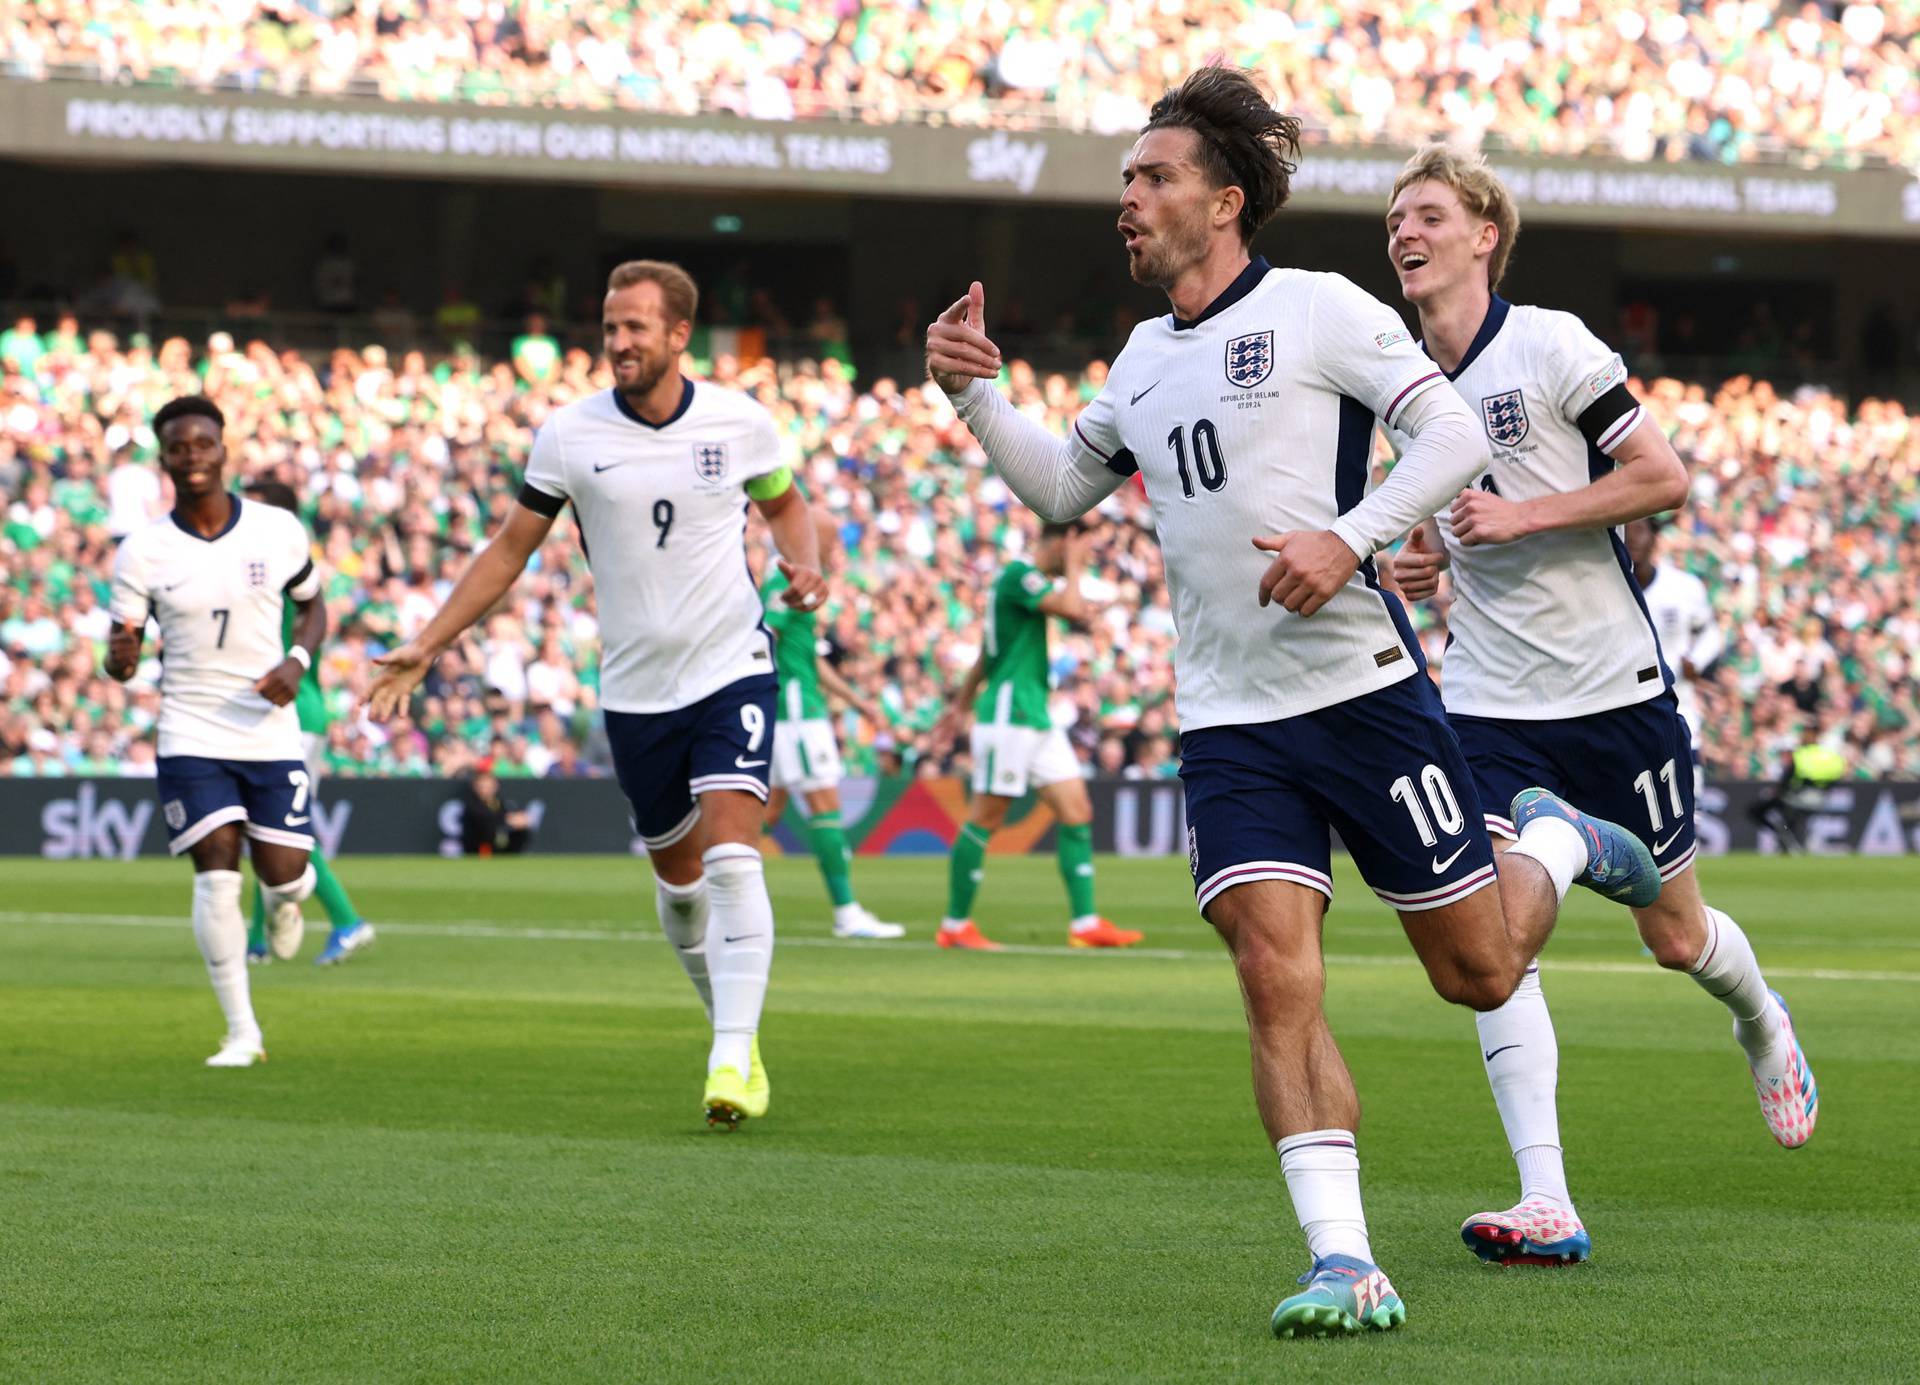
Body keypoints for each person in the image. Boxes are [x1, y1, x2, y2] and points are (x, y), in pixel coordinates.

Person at [925, 65, 1658, 1339]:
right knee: (1276, 974)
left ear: (1223, 203)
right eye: (1125, 181)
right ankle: (1343, 1257)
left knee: (1480, 972)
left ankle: (1553, 836)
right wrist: (976, 393)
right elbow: (1059, 491)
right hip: (1227, 721)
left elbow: (1453, 438)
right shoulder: (1143, 358)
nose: (1129, 200)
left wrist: (1353, 538)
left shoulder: (1322, 309)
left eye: (1152, 178)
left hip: (1365, 696)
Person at [1382, 146, 1818, 1268]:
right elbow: (1436, 532)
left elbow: (1662, 477)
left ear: (1486, 233)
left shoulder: (1552, 343)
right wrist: (1424, 561)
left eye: (1427, 212)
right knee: (1489, 942)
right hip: (1481, 702)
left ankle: (1762, 1019)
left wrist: (1529, 519)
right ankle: (1547, 1199)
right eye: (1393, 218)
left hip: (1610, 691)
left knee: (1678, 939)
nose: (1403, 230)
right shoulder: (1400, 386)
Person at [367, 260, 827, 1131]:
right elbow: (509, 549)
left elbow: (787, 506)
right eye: (610, 326)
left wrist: (806, 567)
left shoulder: (740, 422)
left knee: (733, 857)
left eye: (635, 328)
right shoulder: (569, 436)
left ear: (678, 335)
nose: (617, 342)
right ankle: (732, 1027)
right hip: (636, 692)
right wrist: (429, 642)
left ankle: (731, 1055)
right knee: (682, 887)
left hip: (733, 667)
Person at [103, 396, 326, 1068]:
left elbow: (314, 606)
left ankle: (289, 900)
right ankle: (242, 1032)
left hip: (268, 728)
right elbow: (123, 647)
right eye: (178, 446)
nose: (192, 454)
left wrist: (299, 659)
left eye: (203, 442)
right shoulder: (144, 549)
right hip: (190, 729)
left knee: (283, 871)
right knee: (215, 874)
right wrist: (120, 658)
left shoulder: (276, 528)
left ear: (223, 447)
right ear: (164, 457)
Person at [931, 521, 1142, 951]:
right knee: (987, 817)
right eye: (1081, 547)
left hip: (1035, 714)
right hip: (1011, 714)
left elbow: (990, 655)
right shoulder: (1020, 575)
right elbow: (1073, 610)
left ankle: (1085, 924)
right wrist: (1073, 564)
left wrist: (960, 704)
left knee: (1077, 811)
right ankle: (954, 926)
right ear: (1065, 539)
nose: (1083, 558)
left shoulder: (1025, 583)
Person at [240, 479, 376, 967]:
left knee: (280, 826)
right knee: (265, 824)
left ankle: (346, 920)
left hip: (290, 709)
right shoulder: (290, 565)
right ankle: (258, 940)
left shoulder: (270, 565)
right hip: (295, 706)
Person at [760, 503, 905, 940]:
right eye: (831, 538)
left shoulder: (800, 579)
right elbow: (767, 634)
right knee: (824, 804)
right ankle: (846, 911)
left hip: (791, 707)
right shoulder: (784, 577)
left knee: (768, 811)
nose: (837, 547)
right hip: (797, 713)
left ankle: (710, 886)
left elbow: (808, 658)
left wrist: (859, 703)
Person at [1627, 517, 1723, 751]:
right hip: (1627, 719)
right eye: (1625, 530)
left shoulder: (1683, 587)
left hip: (1678, 712)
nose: (1632, 537)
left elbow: (1711, 633)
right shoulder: (1605, 594)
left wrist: (1695, 660)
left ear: (1655, 538)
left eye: (1640, 529)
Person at [459, 760, 533, 855]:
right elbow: (484, 819)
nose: (485, 790)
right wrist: (506, 820)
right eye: (482, 786)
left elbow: (513, 815)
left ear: (495, 786)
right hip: (478, 846)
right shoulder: (471, 805)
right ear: (476, 787)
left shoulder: (501, 802)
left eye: (488, 786)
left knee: (521, 829)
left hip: (502, 843)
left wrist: (518, 819)